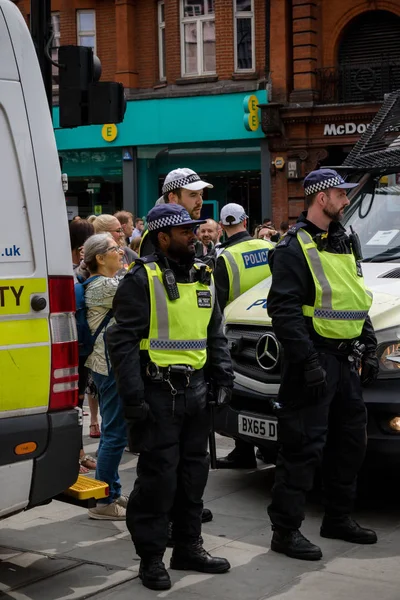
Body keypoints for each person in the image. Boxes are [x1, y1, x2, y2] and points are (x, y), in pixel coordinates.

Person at [107, 204, 234, 591]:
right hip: (158, 395)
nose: (194, 236)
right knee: (158, 479)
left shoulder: (204, 275)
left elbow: (215, 331)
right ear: (163, 237)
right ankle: (151, 558)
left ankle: (188, 546)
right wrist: (133, 400)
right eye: (185, 232)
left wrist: (223, 375)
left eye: (194, 231)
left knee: (193, 475)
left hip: (197, 393)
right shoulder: (141, 278)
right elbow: (121, 341)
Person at [266, 168, 379, 561]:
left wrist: (368, 338)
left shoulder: (344, 240)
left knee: (350, 443)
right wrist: (309, 362)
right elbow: (284, 312)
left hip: (344, 361)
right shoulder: (292, 247)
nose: (346, 201)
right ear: (320, 197)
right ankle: (285, 531)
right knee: (301, 448)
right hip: (312, 362)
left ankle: (337, 518)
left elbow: (353, 294)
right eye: (340, 194)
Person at [214, 203, 274, 469]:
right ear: (246, 221)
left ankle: (244, 451)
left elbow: (218, 302)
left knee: (242, 393)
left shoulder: (225, 258)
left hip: (238, 334)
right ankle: (269, 449)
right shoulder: (270, 248)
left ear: (222, 226)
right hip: (271, 327)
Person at [82, 233, 129, 520]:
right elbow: (137, 287)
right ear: (100, 258)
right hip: (108, 365)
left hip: (103, 363)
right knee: (114, 434)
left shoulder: (103, 283)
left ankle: (111, 489)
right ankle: (103, 502)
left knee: (114, 431)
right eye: (114, 249)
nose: (121, 251)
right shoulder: (104, 286)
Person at [69, 219, 98, 473]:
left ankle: (77, 453)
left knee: (76, 404)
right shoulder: (71, 277)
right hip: (76, 351)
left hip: (79, 350)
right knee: (73, 404)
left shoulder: (76, 275)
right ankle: (73, 455)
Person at [139, 168, 213, 258]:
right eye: (193, 195)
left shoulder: (170, 226)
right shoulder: (156, 230)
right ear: (172, 198)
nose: (200, 201)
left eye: (201, 194)